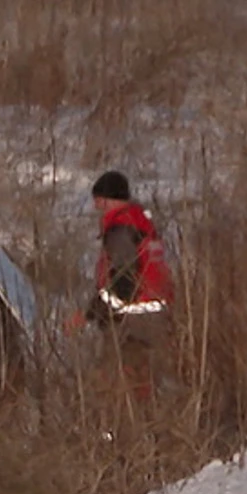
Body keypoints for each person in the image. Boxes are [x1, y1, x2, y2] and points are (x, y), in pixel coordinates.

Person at [70, 170, 176, 401]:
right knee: (144, 384)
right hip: (156, 318)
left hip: (130, 323)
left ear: (107, 199)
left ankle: (120, 434)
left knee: (114, 386)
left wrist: (89, 314)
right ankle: (151, 431)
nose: (96, 207)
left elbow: (123, 283)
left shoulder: (120, 230)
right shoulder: (142, 225)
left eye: (98, 200)